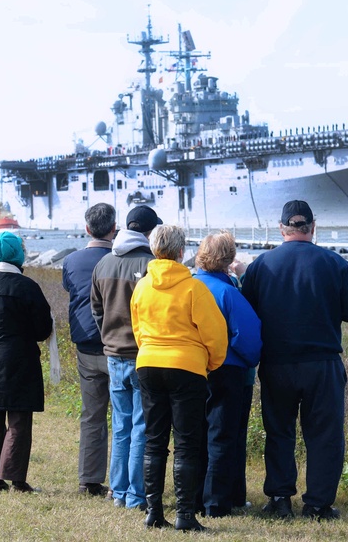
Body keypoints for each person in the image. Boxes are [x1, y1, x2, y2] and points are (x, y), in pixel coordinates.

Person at [242, 200, 348, 521]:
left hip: (276, 363)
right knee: (324, 435)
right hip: (322, 363)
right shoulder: (336, 264)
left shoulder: (260, 266)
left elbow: (247, 313)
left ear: (281, 228)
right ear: (312, 226)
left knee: (279, 431)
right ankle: (317, 504)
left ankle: (280, 498)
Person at [131, 224, 228, 531]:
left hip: (148, 363)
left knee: (154, 440)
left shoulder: (142, 287)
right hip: (186, 366)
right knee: (186, 443)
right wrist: (210, 363)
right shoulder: (193, 288)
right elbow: (215, 335)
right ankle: (185, 514)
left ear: (153, 249)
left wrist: (149, 351)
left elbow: (137, 329)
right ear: (181, 251)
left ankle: (154, 511)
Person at [0, 231, 52, 493]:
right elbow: (42, 329)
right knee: (18, 420)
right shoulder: (27, 287)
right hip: (20, 361)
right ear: (19, 255)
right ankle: (16, 478)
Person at [90, 204, 161, 512]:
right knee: (141, 427)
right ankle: (136, 495)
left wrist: (109, 336)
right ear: (150, 232)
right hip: (142, 355)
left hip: (112, 355)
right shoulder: (151, 264)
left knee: (120, 426)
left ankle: (118, 492)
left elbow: (96, 310)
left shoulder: (103, 264)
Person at [193, 232, 263, 518]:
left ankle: (194, 497)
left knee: (194, 437)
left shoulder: (189, 287)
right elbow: (248, 338)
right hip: (227, 371)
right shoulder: (228, 293)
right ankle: (218, 503)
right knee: (223, 437)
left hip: (191, 370)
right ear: (229, 259)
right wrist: (249, 361)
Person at [61, 202, 116, 497]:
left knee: (92, 414)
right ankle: (122, 482)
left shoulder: (71, 261)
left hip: (85, 344)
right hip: (118, 345)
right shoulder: (120, 260)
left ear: (86, 228)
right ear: (113, 229)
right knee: (123, 415)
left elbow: (72, 290)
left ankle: (89, 479)